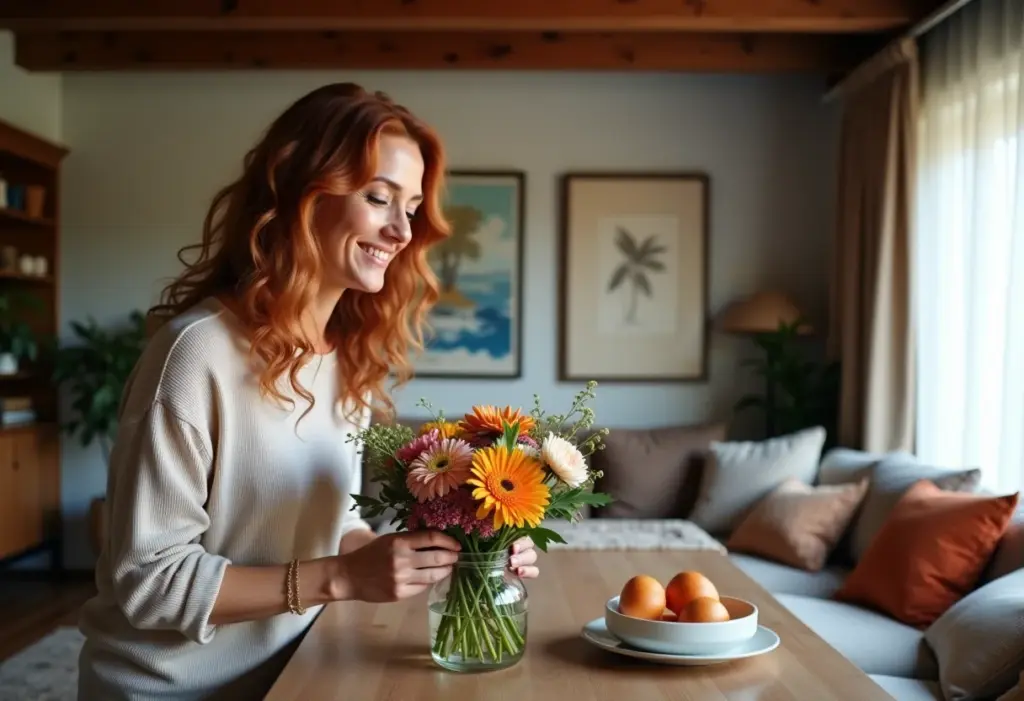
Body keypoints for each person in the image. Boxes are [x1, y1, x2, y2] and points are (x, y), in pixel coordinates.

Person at [76, 83, 539, 701]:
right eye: (379, 198)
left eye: (411, 208)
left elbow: (334, 529)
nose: (401, 231)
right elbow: (150, 580)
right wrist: (340, 578)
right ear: (300, 191)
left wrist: (456, 554)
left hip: (297, 669)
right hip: (170, 690)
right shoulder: (194, 354)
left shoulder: (346, 358)